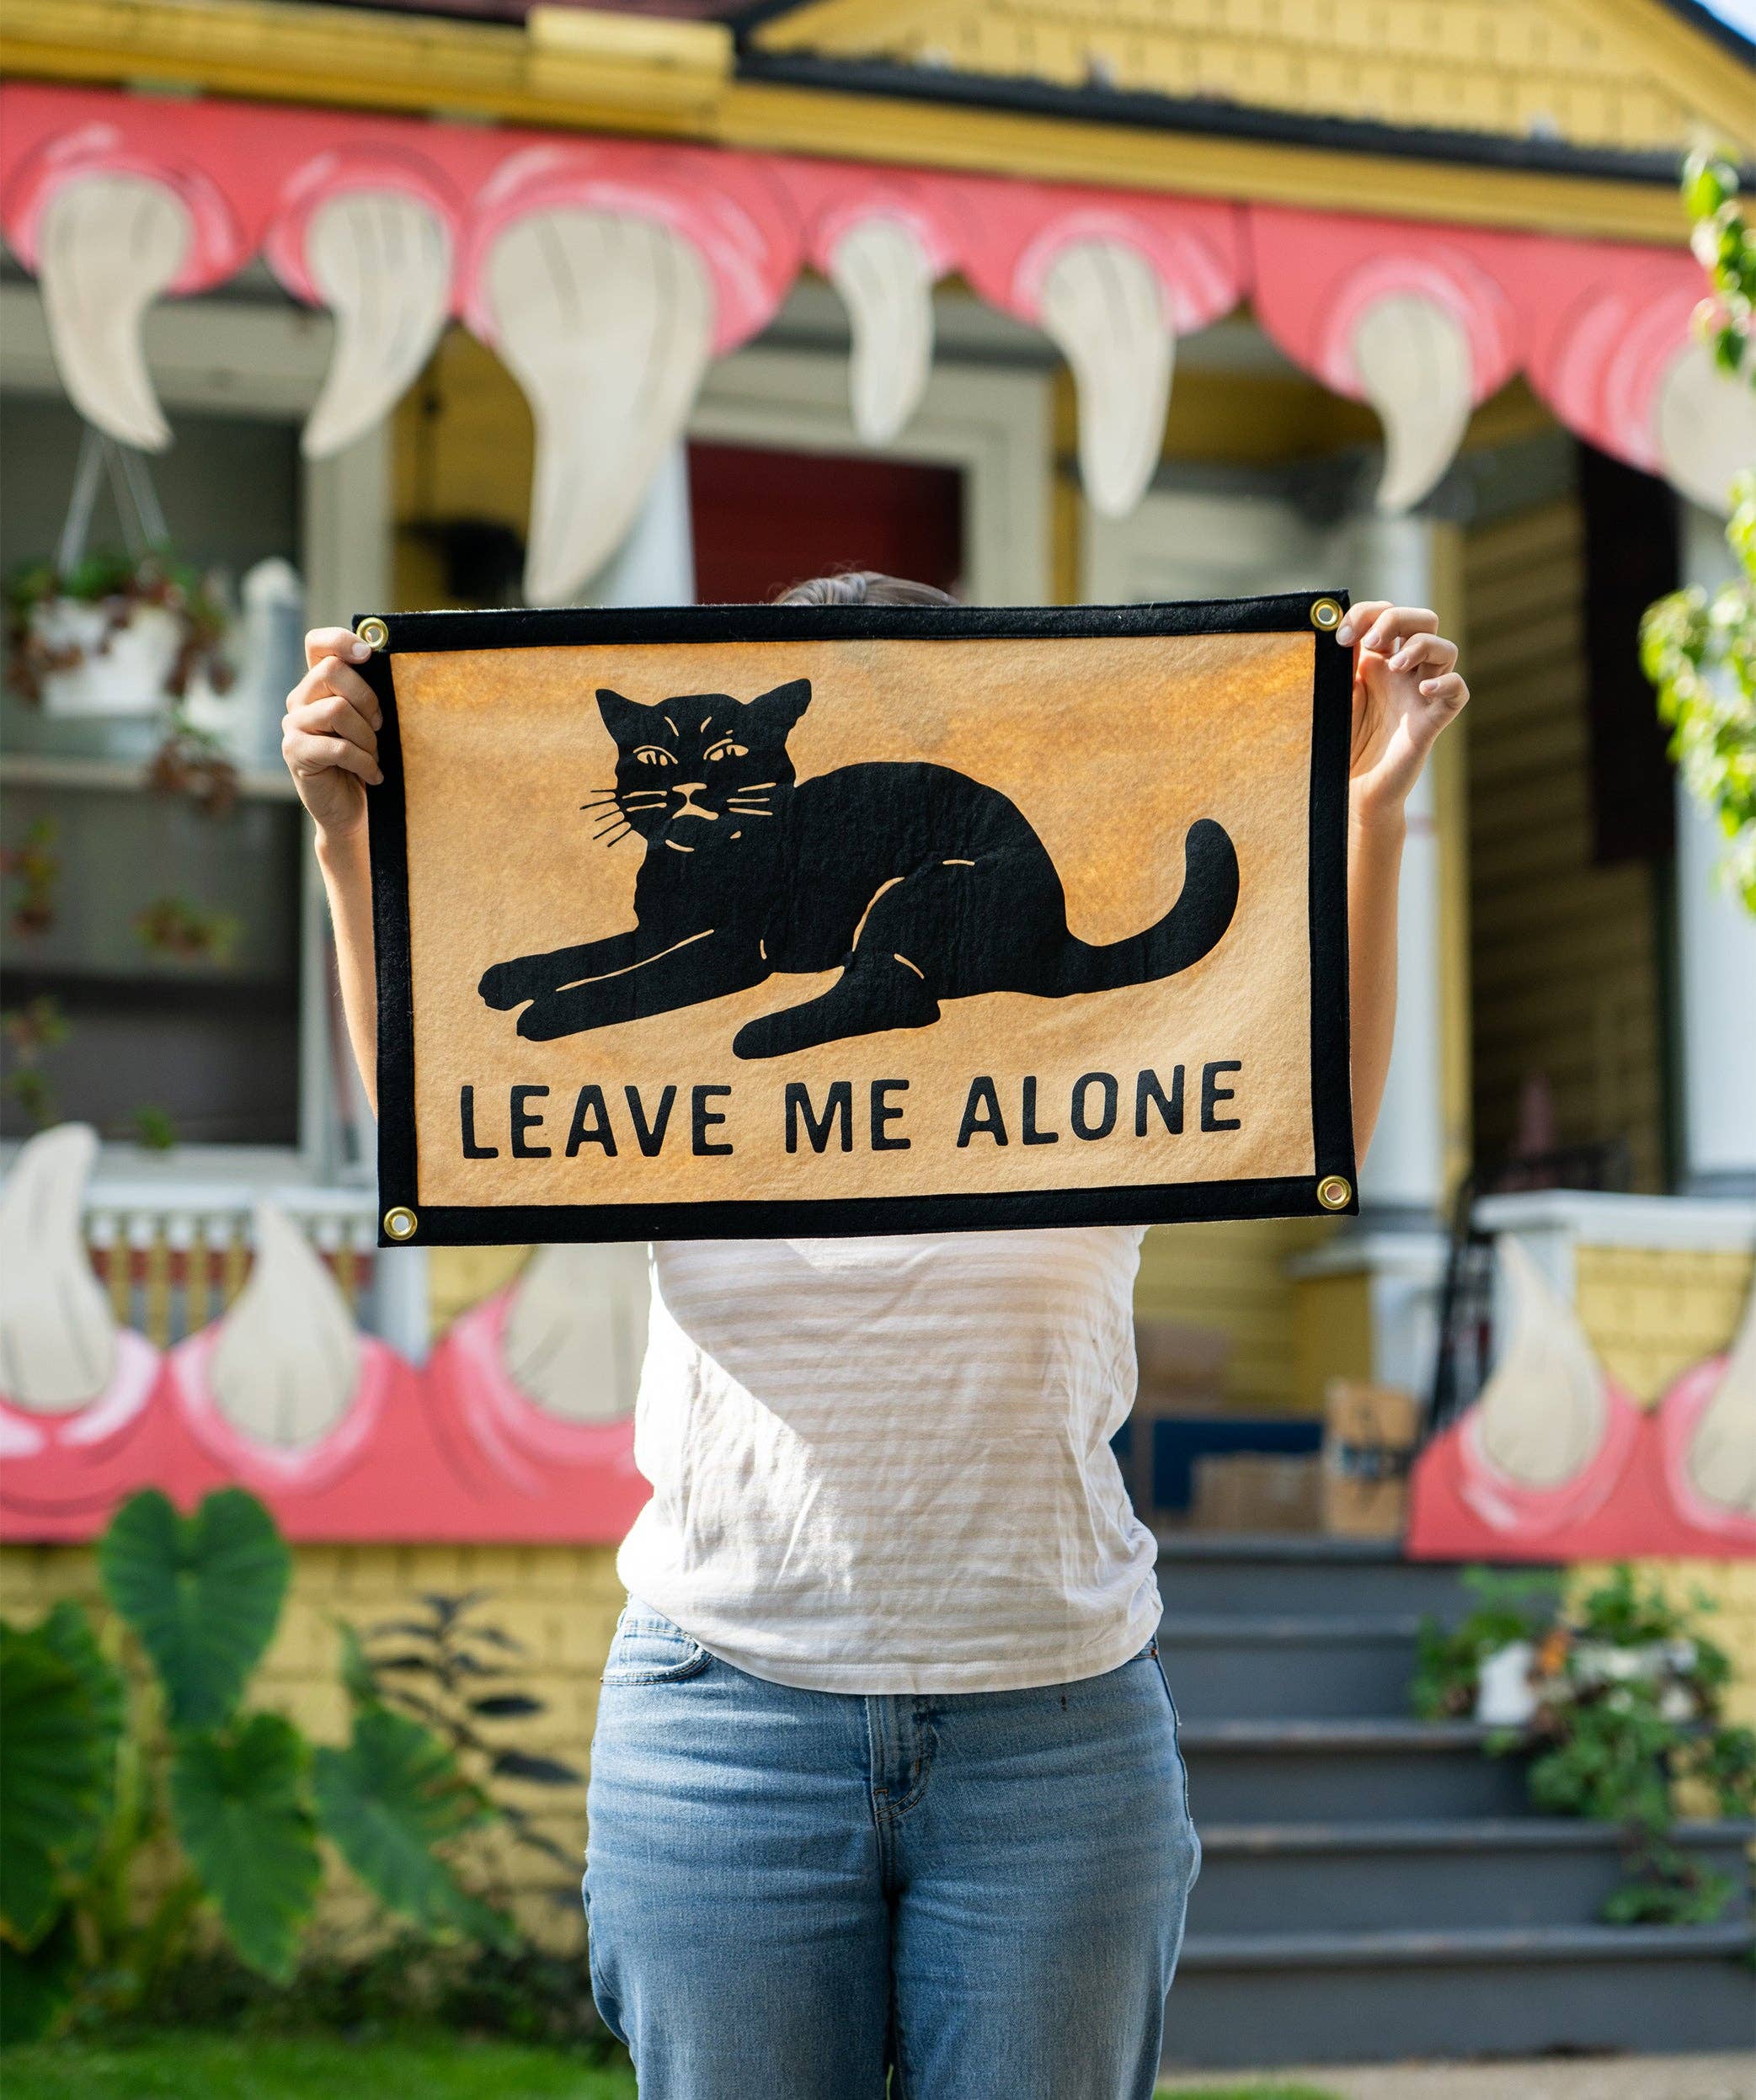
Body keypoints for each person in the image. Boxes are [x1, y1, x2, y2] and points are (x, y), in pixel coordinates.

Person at [285, 570, 1467, 2100]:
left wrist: (1370, 810)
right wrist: (346, 841)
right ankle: (859, 989)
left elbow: (1316, 1121)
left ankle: (881, 990)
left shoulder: (1091, 1078)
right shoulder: (681, 1054)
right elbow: (446, 1134)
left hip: (1054, 1729)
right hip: (728, 1721)